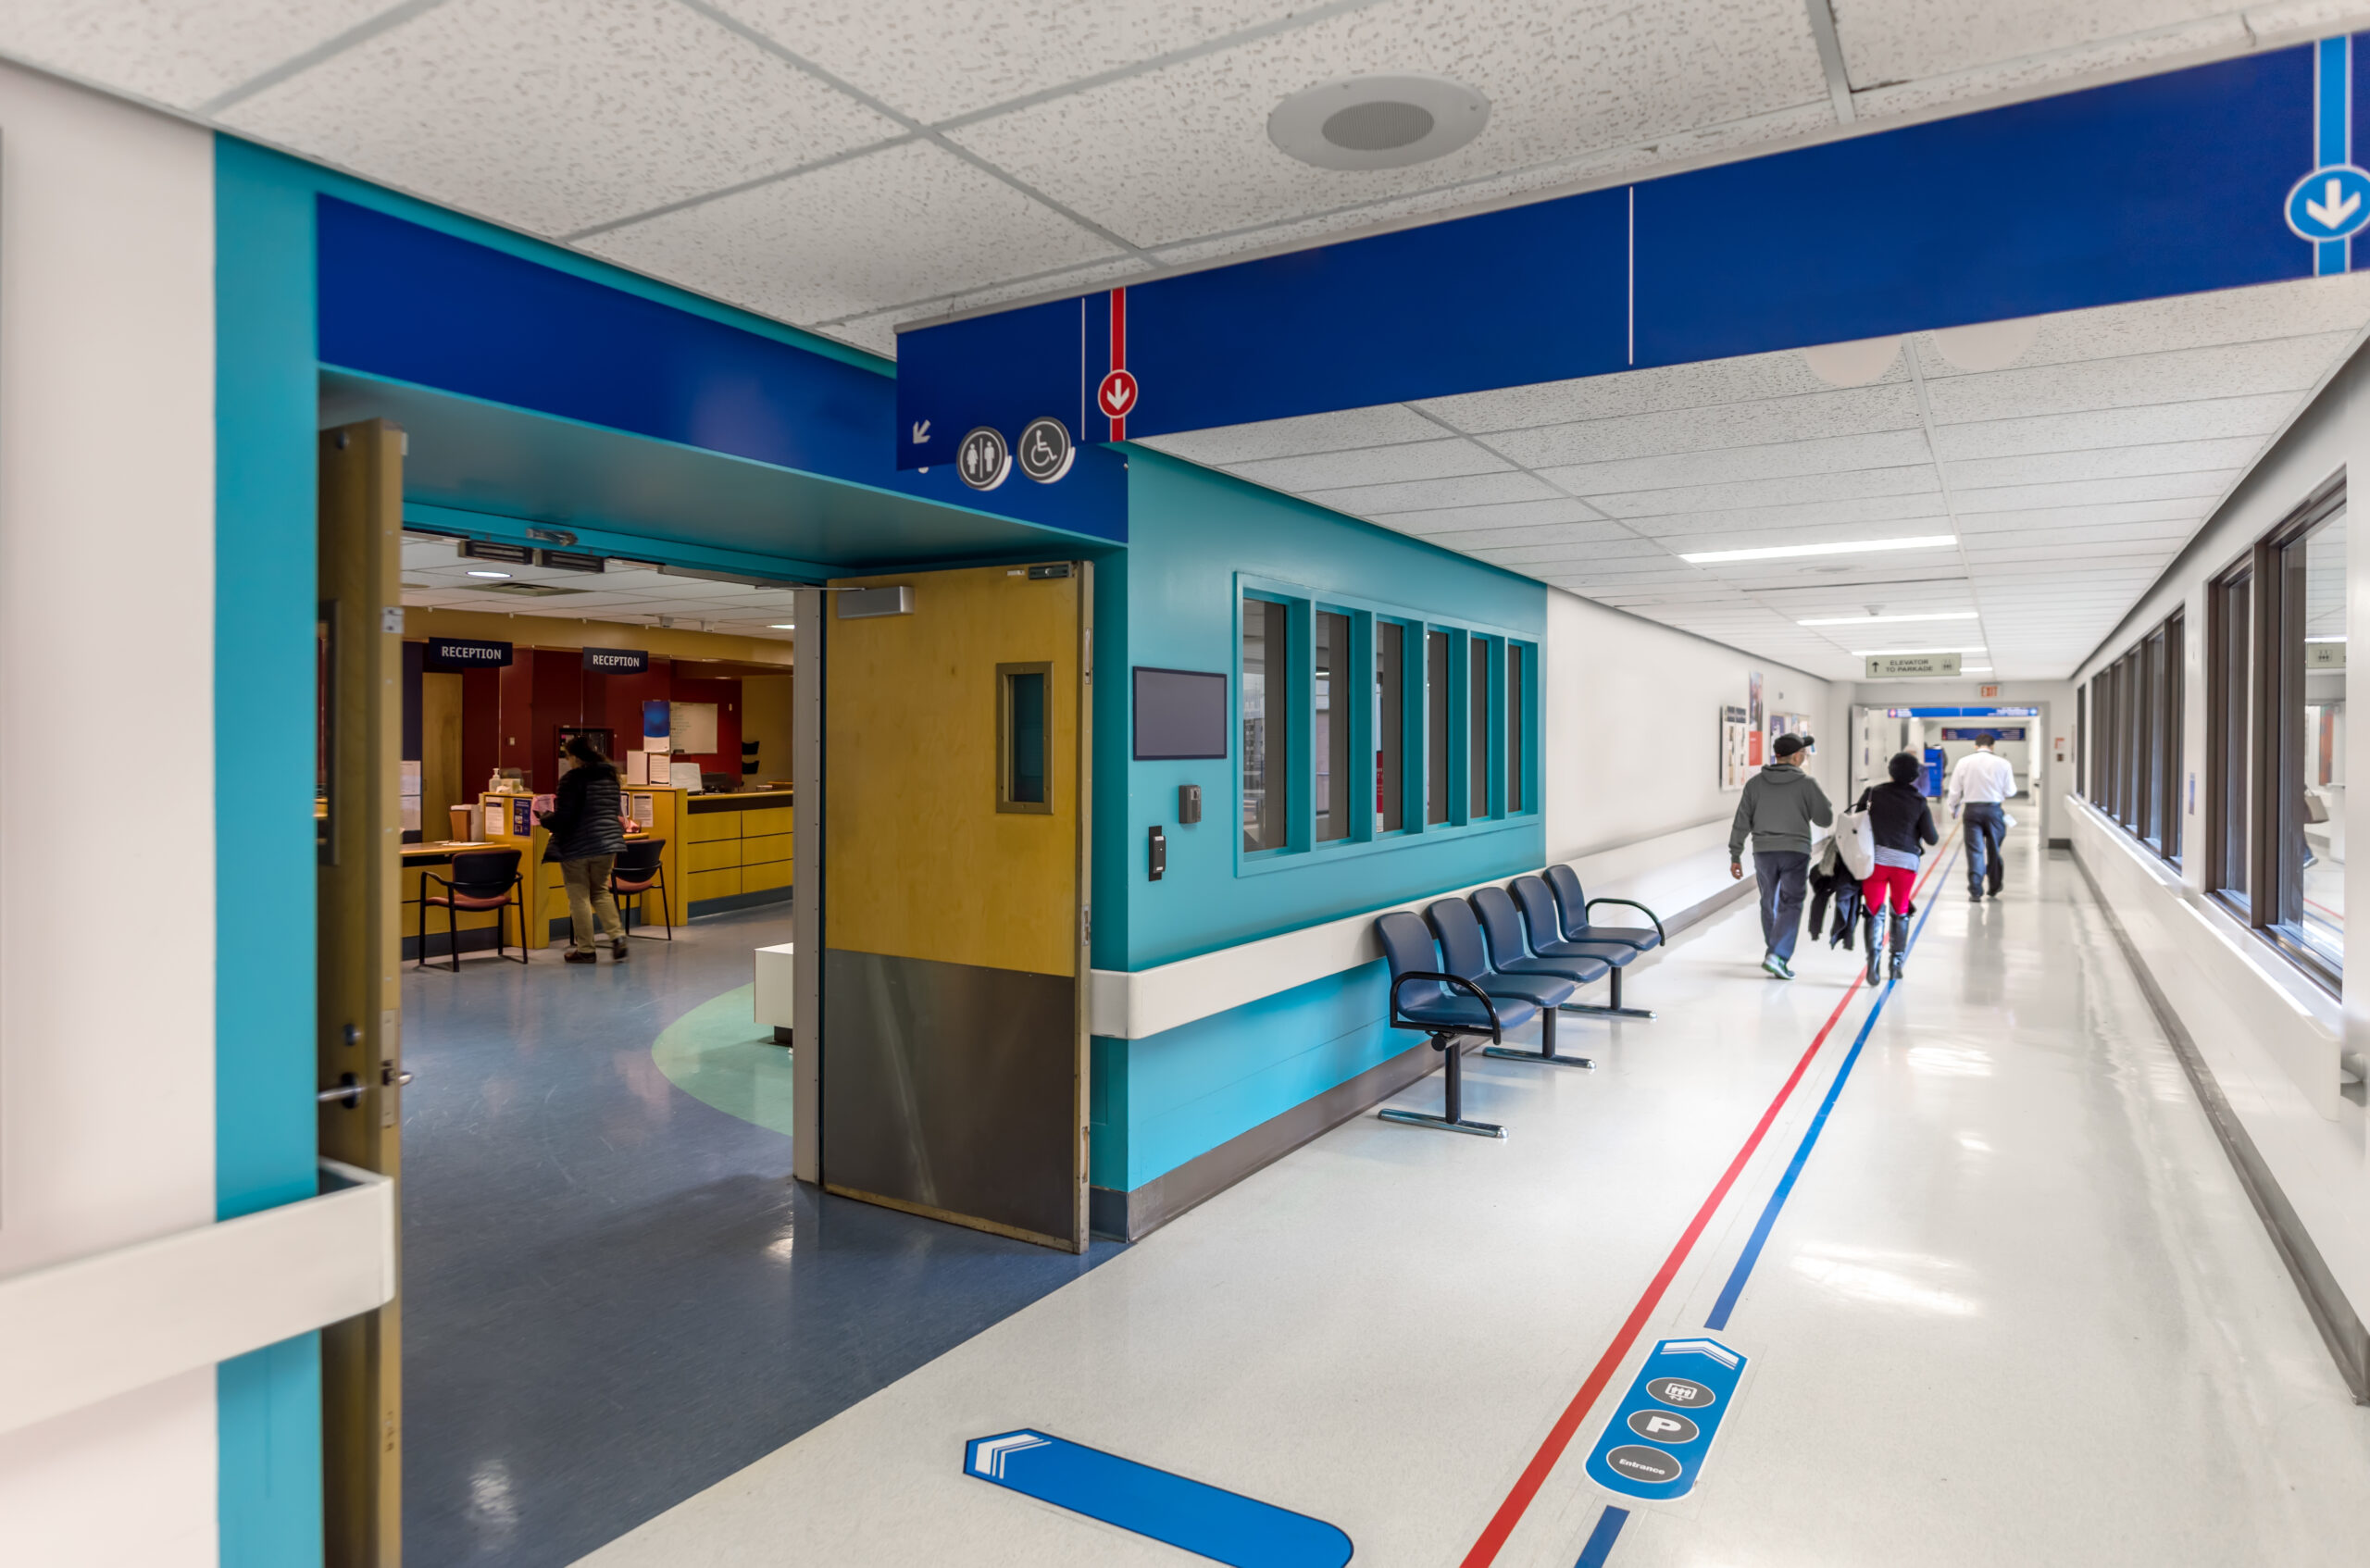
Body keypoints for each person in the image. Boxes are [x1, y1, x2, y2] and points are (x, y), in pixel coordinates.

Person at [1729, 733, 1833, 980]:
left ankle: (1772, 950)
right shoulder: (1807, 784)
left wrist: (1735, 854)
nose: (1805, 757)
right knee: (1792, 902)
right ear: (1796, 756)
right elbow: (1825, 819)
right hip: (1795, 851)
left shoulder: (1755, 785)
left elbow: (1741, 821)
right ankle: (1777, 955)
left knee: (1769, 900)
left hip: (1763, 851)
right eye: (1804, 754)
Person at [539, 735, 630, 964]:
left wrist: (545, 818)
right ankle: (618, 938)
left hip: (578, 845)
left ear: (575, 757)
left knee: (578, 895)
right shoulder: (610, 777)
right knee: (600, 891)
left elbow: (565, 817)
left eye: (568, 756)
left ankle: (586, 950)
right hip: (607, 842)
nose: (567, 761)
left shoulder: (572, 779)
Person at [1856, 752, 1940, 983]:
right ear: (1915, 776)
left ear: (1890, 770)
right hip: (1904, 865)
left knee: (1873, 909)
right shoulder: (1918, 800)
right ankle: (1896, 963)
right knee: (1900, 908)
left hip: (1875, 862)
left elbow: (1858, 822)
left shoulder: (1873, 793)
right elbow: (1932, 839)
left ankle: (1873, 960)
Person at [1945, 733, 2017, 902]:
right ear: (1993, 746)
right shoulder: (2003, 763)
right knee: (1994, 850)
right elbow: (2011, 791)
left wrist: (1953, 808)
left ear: (1975, 746)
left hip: (1972, 811)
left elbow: (1955, 790)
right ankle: (1994, 886)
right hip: (1994, 811)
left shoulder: (1963, 762)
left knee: (1975, 851)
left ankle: (1975, 890)